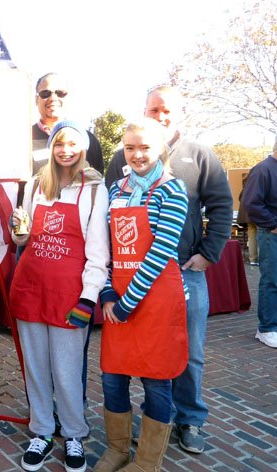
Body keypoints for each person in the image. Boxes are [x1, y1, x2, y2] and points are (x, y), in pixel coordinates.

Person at [105, 85, 233, 454]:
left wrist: (208, 253)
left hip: (184, 271)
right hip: (130, 278)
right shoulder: (122, 160)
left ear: (178, 112)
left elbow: (222, 206)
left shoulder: (200, 155)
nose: (159, 116)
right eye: (152, 109)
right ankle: (146, 424)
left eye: (165, 110)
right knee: (137, 354)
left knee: (187, 351)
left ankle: (189, 419)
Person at [9, 121, 109, 472]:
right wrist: (17, 230)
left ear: (83, 148)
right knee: (36, 368)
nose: (65, 150)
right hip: (30, 285)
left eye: (72, 144)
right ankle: (41, 430)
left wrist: (89, 297)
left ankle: (74, 435)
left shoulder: (95, 188)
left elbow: (98, 251)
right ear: (51, 147)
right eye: (59, 144)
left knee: (67, 371)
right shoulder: (36, 184)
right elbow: (24, 239)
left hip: (70, 293)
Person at [96, 118, 189, 472]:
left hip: (154, 300)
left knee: (156, 380)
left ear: (161, 149)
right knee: (112, 376)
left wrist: (126, 303)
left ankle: (147, 462)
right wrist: (107, 292)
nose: (136, 154)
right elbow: (103, 245)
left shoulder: (173, 190)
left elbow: (161, 250)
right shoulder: (116, 189)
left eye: (145, 147)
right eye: (130, 147)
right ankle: (118, 450)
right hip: (117, 298)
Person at [241, 133, 277, 348]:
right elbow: (251, 203)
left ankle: (275, 323)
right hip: (271, 233)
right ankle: (267, 328)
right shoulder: (264, 169)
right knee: (272, 280)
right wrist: (273, 224)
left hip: (274, 231)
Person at [31, 72, 104, 175]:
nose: (53, 98)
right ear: (36, 100)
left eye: (60, 93)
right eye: (45, 93)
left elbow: (97, 180)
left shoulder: (88, 140)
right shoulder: (24, 141)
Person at [237, 175, 258, 265]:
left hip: (248, 217)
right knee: (262, 237)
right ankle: (261, 259)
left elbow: (239, 199)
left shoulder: (245, 189)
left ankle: (253, 259)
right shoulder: (257, 186)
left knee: (252, 237)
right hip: (258, 216)